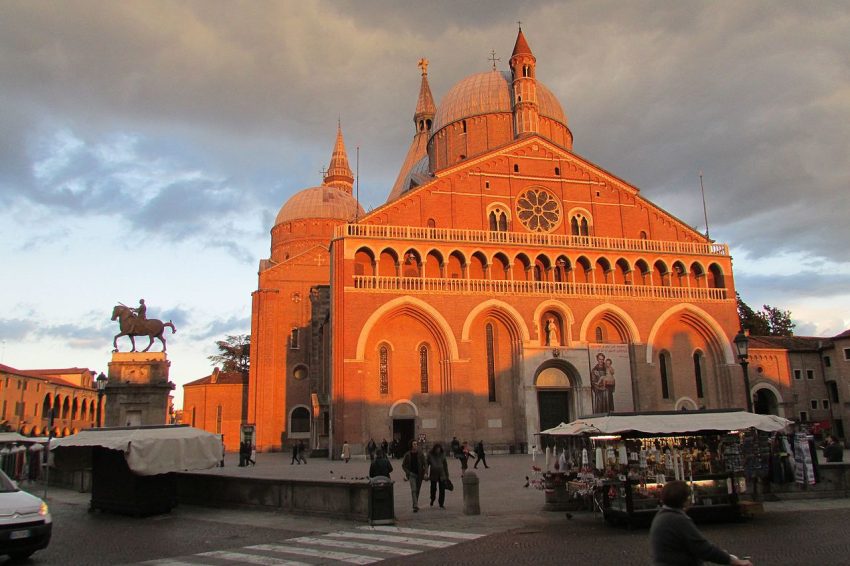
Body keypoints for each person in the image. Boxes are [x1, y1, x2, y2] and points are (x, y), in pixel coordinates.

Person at [650, 480, 752, 566]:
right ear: (685, 500)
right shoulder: (677, 519)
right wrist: (735, 561)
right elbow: (703, 548)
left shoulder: (662, 516)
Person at [402, 440, 427, 512]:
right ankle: (415, 505)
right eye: (414, 444)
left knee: (417, 490)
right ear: (411, 445)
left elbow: (425, 463)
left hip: (420, 474)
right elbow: (403, 465)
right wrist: (408, 473)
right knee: (413, 490)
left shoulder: (420, 453)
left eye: (416, 444)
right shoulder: (407, 454)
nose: (415, 445)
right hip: (412, 475)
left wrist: (425, 473)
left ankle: (414, 504)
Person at [427, 443, 450, 509]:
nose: (438, 450)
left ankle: (441, 503)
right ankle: (432, 498)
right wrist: (426, 473)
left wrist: (447, 475)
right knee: (433, 488)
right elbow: (427, 464)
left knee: (442, 489)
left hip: (442, 474)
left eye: (439, 449)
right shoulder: (430, 455)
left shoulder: (443, 455)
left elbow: (445, 465)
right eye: (437, 449)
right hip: (433, 474)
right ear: (434, 449)